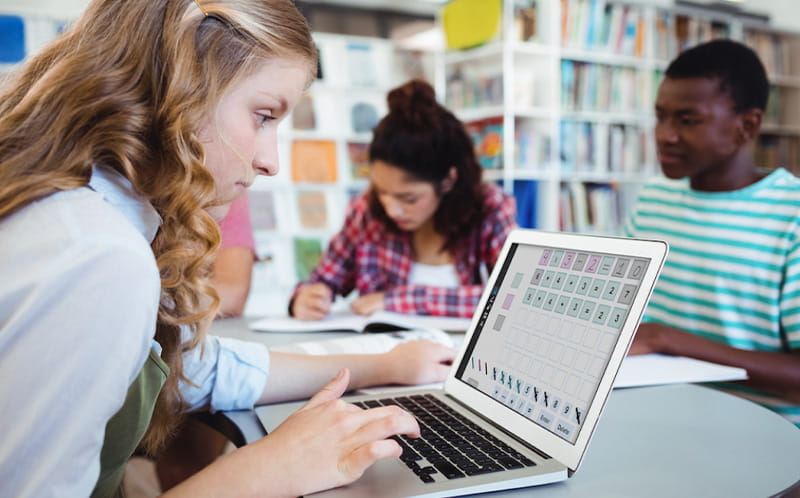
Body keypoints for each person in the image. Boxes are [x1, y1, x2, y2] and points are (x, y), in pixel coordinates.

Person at [0, 1, 456, 496]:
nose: (270, 161)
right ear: (178, 88)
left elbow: (193, 367)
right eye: (263, 116)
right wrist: (273, 465)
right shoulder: (100, 257)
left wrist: (385, 365)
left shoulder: (92, 217)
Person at [624, 39, 800, 427]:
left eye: (688, 120)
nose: (665, 135)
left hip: (763, 438)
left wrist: (667, 339)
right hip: (654, 417)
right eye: (660, 116)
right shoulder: (653, 198)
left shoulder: (792, 216)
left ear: (747, 126)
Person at [290, 79, 517, 320]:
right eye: (381, 191)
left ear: (448, 180)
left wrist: (397, 300)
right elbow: (322, 280)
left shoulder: (489, 206)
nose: (391, 209)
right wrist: (306, 298)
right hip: (381, 354)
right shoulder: (365, 208)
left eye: (408, 198)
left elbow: (512, 298)